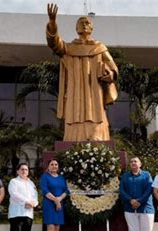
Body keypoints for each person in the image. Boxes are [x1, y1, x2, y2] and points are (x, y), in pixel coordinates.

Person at [46, 3, 119, 141]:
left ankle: (97, 137)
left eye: (87, 23)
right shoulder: (68, 48)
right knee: (74, 113)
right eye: (81, 23)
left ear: (91, 28)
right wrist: (52, 22)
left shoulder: (99, 47)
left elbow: (113, 68)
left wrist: (110, 75)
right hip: (75, 90)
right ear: (76, 28)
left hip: (94, 91)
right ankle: (74, 138)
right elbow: (53, 43)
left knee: (96, 114)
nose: (84, 25)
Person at [119, 157, 156, 231]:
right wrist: (130, 200)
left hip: (145, 208)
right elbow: (122, 190)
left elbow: (149, 189)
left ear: (140, 164)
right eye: (131, 162)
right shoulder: (125, 176)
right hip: (130, 208)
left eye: (135, 161)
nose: (133, 163)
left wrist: (140, 201)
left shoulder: (146, 175)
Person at [8, 163, 39, 231]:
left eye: (26, 169)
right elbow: (14, 194)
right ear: (17, 171)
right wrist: (26, 202)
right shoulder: (14, 182)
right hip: (16, 214)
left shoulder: (31, 183)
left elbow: (35, 197)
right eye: (22, 169)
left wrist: (33, 204)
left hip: (28, 215)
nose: (24, 171)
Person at [40, 159, 69, 231]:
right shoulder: (45, 176)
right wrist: (56, 200)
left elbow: (66, 191)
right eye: (52, 164)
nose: (54, 166)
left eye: (56, 164)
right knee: (51, 227)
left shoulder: (61, 178)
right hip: (49, 204)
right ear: (48, 166)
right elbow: (44, 190)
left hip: (59, 205)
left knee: (57, 228)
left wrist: (59, 199)